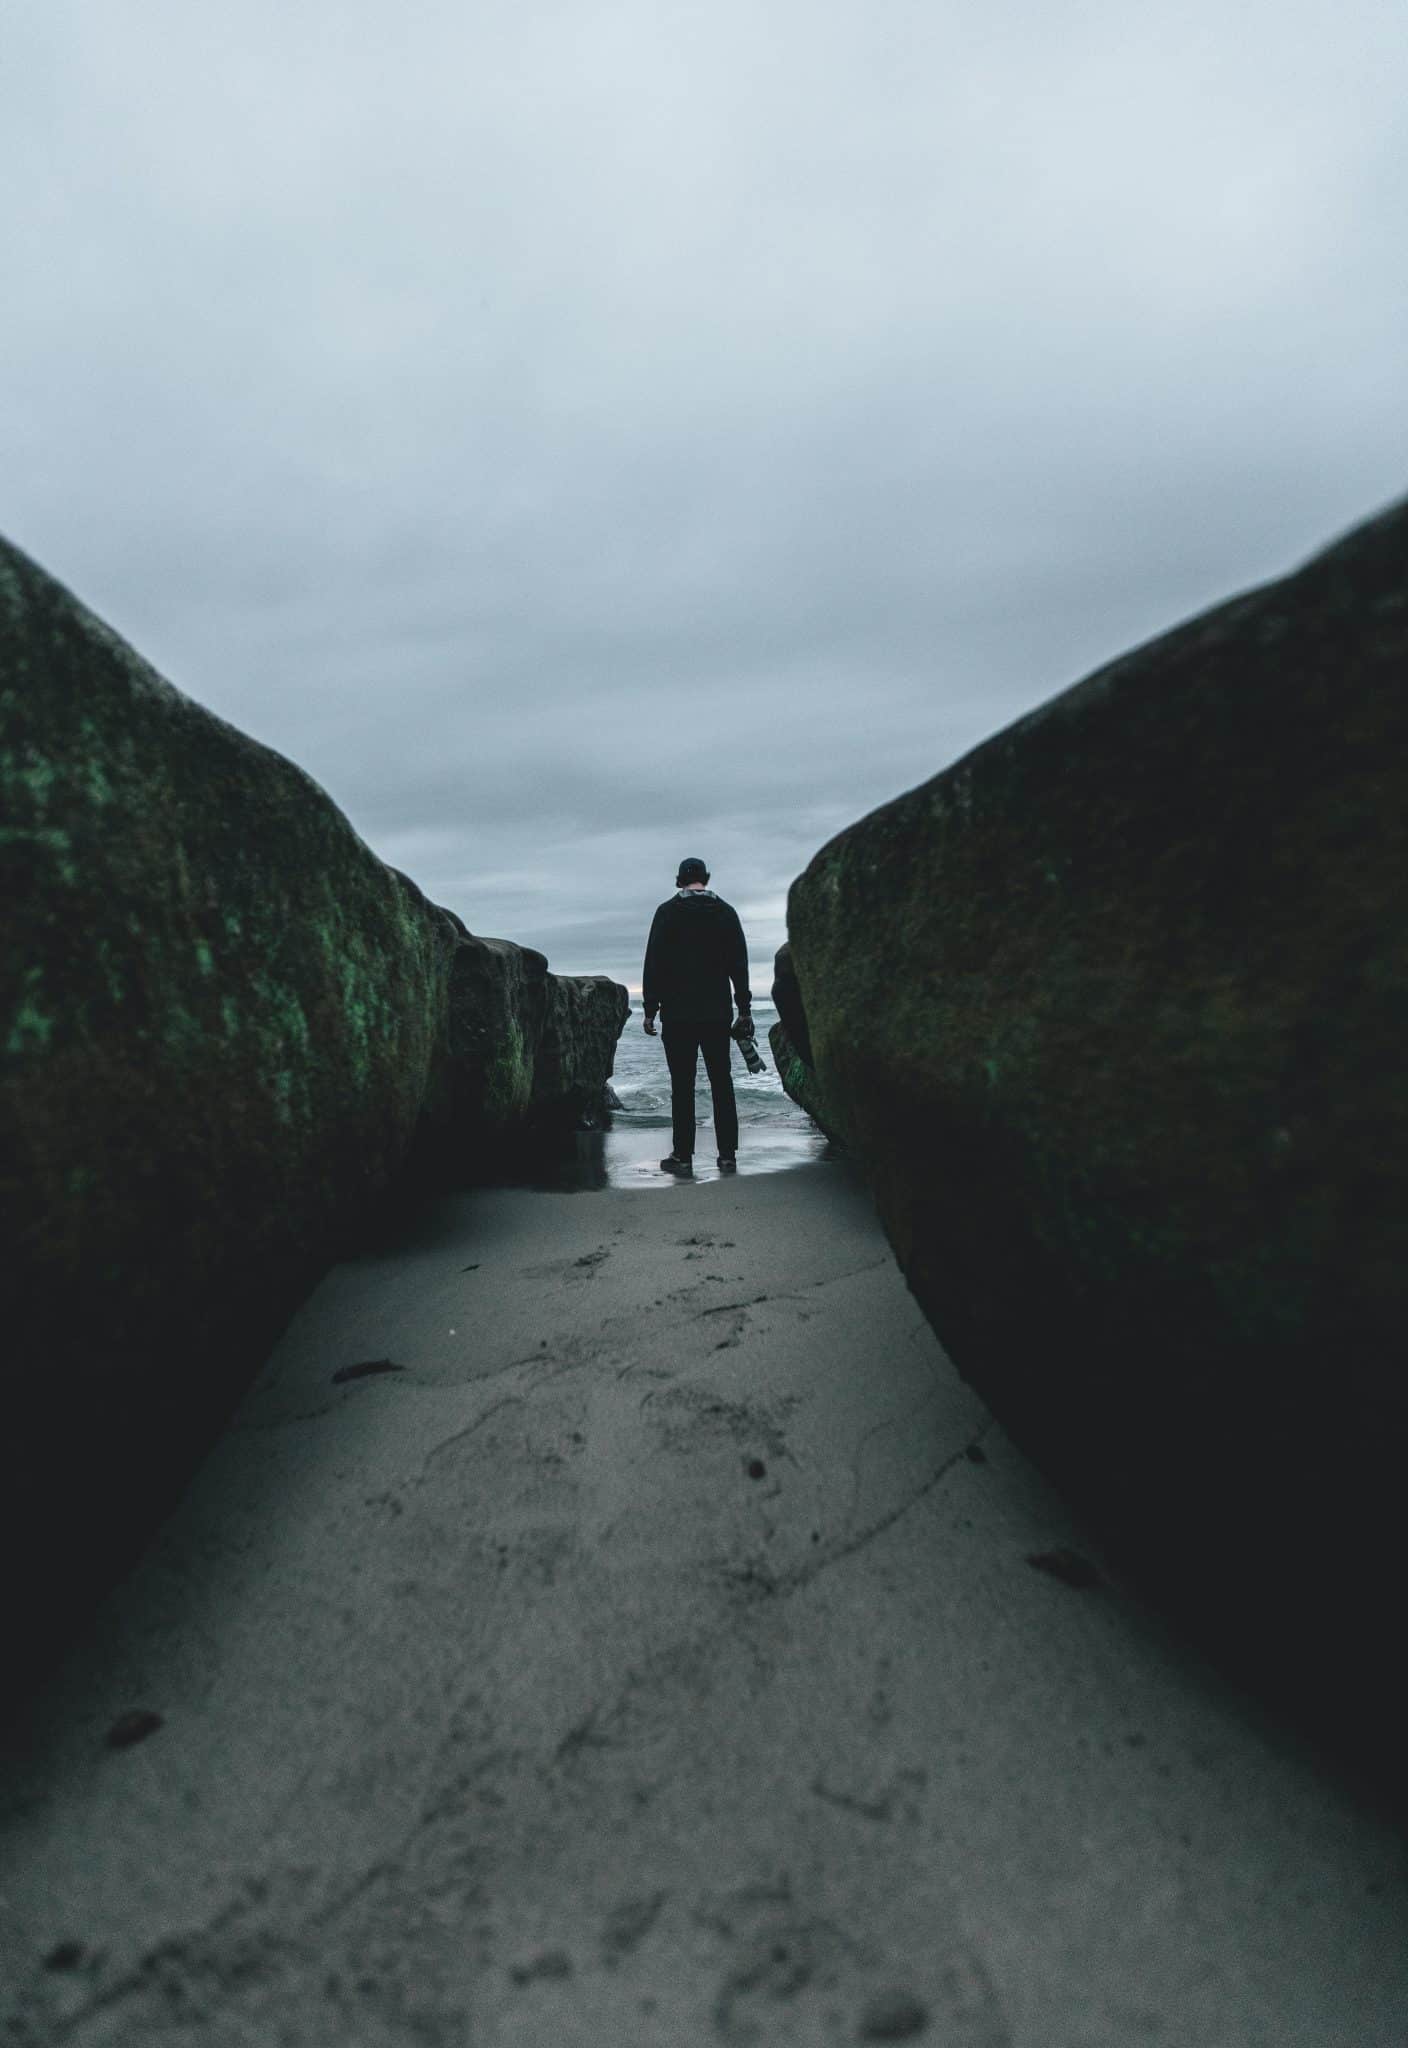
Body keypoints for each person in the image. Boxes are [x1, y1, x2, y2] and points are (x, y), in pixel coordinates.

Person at [641, 857, 753, 1177]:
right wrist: (743, 1009)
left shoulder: (667, 912)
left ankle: (683, 1157)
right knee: (722, 1083)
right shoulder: (726, 912)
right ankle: (727, 1155)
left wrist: (650, 1009)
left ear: (679, 881)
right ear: (707, 878)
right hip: (717, 1013)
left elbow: (654, 963)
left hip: (677, 1015)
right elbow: (739, 965)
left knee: (682, 1085)